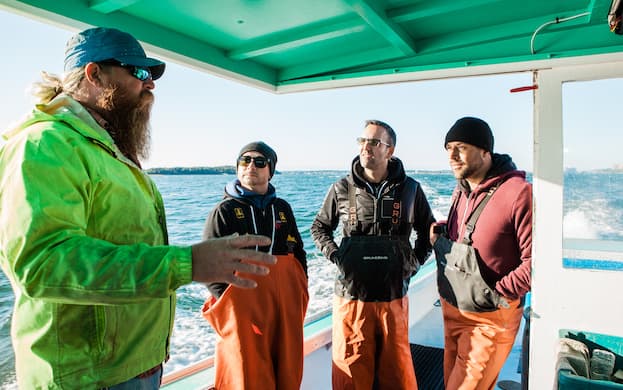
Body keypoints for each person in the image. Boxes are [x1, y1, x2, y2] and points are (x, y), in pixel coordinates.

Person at [0, 27, 276, 389]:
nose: (151, 85)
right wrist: (187, 264)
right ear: (94, 74)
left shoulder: (107, 150)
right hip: (86, 378)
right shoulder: (45, 145)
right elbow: (42, 263)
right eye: (140, 73)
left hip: (134, 368)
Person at [311, 119, 435, 389]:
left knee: (397, 372)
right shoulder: (341, 188)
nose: (366, 147)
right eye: (363, 141)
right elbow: (319, 227)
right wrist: (337, 257)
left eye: (374, 142)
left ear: (389, 150)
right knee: (351, 370)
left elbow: (429, 232)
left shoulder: (411, 189)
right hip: (352, 296)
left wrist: (412, 264)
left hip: (394, 296)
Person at [430, 116, 532, 390]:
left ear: (485, 151)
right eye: (448, 147)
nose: (452, 156)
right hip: (453, 310)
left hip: (489, 319)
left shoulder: (519, 193)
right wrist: (441, 233)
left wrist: (500, 292)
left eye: (461, 147)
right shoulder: (461, 190)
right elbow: (470, 234)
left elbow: (537, 261)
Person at [201, 141, 309, 390]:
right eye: (244, 160)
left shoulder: (282, 208)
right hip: (243, 314)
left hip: (284, 311)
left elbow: (298, 253)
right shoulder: (224, 211)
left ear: (270, 170)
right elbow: (208, 266)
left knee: (288, 372)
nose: (251, 166)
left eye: (260, 162)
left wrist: (299, 292)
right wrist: (236, 304)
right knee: (246, 377)